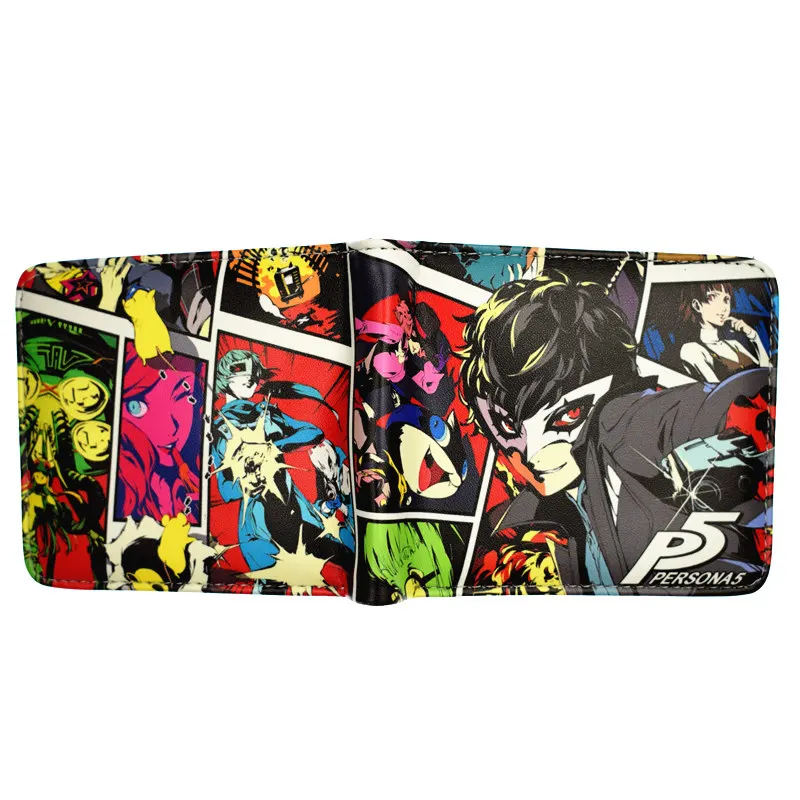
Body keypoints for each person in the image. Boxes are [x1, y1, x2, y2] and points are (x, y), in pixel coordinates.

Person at [459, 272, 773, 594]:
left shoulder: (622, 424)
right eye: (508, 427)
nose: (533, 454)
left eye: (569, 414)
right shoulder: (518, 521)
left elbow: (718, 406)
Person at [678, 282, 769, 382]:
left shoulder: (734, 345)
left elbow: (766, 374)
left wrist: (754, 336)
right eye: (712, 297)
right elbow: (716, 390)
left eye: (726, 299)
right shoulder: (692, 350)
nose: (724, 308)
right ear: (697, 305)